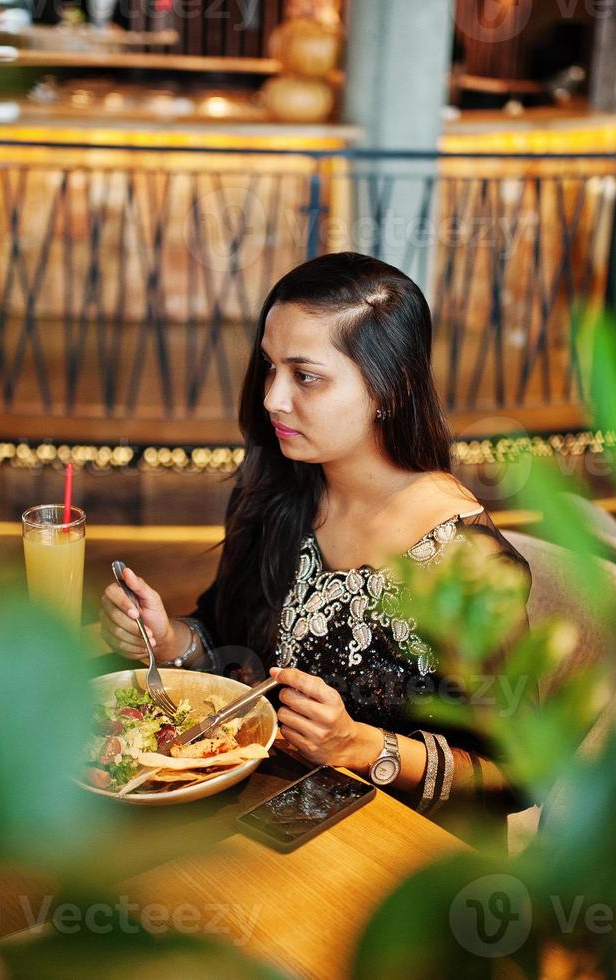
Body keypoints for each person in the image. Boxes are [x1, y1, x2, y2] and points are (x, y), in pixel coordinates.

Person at [99, 252, 531, 819]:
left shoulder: (467, 563)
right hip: (269, 808)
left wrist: (363, 745)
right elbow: (232, 641)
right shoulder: (281, 487)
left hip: (395, 852)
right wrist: (172, 639)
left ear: (390, 390)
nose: (273, 397)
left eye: (306, 376)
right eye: (270, 367)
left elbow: (519, 777)